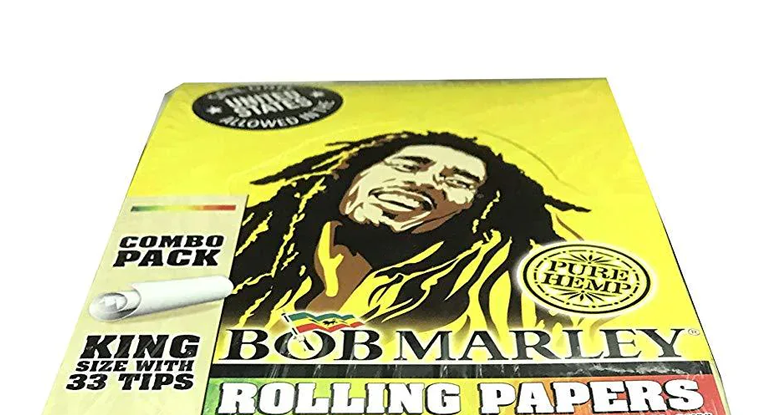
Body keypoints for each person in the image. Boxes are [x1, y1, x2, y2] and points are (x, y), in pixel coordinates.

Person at [225, 130, 588, 331]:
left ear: (475, 211)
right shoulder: (242, 248)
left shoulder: (488, 302)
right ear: (352, 174)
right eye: (410, 164)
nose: (427, 182)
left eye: (459, 181)